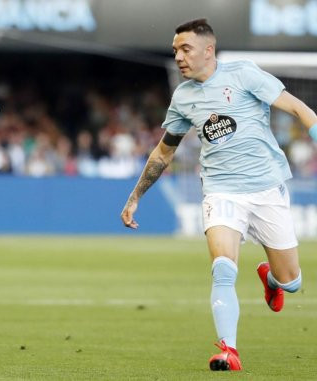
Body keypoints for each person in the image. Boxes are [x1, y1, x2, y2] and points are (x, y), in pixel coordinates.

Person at [120, 18, 317, 371]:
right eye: (175, 50)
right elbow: (163, 152)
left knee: (292, 282)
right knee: (223, 269)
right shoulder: (182, 97)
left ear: (208, 50)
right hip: (221, 191)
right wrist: (136, 196)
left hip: (267, 187)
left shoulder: (244, 74)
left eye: (185, 49)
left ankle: (271, 278)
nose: (179, 57)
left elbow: (301, 110)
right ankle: (229, 351)